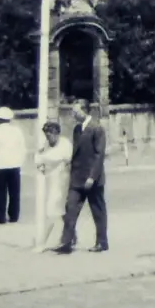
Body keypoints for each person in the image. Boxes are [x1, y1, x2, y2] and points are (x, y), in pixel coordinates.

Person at [59, 101, 109, 254]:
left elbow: (99, 155)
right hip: (77, 177)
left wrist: (92, 177)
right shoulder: (77, 129)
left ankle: (101, 242)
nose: (73, 114)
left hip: (92, 179)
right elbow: (76, 152)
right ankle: (67, 242)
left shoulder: (97, 128)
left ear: (84, 111)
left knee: (98, 211)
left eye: (76, 111)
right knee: (70, 208)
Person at [32, 121, 75, 252]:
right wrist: (40, 165)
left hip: (62, 181)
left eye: (51, 133)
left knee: (51, 211)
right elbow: (38, 158)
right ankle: (72, 237)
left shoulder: (65, 144)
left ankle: (41, 243)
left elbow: (67, 160)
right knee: (62, 212)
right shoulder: (45, 145)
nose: (49, 136)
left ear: (57, 133)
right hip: (49, 181)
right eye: (47, 134)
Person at [0, 107, 26, 224]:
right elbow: (22, 148)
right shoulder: (17, 131)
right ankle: (14, 215)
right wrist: (20, 162)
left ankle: (0, 217)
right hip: (14, 164)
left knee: (0, 192)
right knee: (14, 192)